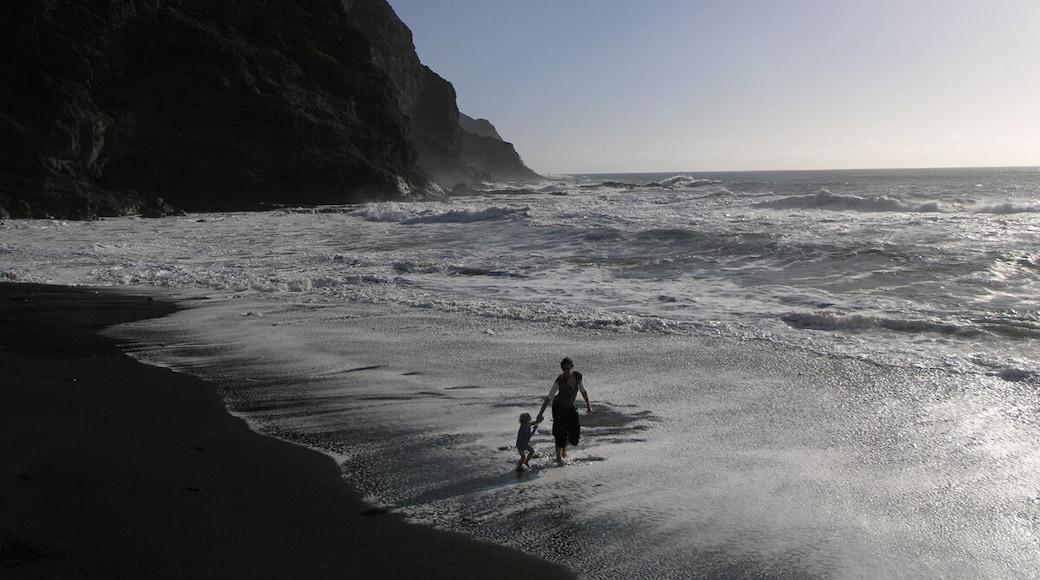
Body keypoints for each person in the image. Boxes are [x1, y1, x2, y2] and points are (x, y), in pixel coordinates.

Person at [535, 357, 593, 465]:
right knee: (560, 433)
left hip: (570, 406)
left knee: (575, 436)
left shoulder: (578, 377)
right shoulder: (560, 380)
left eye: (568, 369)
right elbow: (549, 397)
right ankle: (558, 457)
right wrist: (540, 413)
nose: (566, 371)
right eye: (564, 369)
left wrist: (588, 406)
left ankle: (563, 449)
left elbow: (583, 391)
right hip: (558, 408)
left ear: (572, 367)